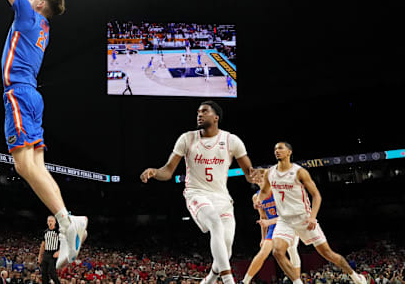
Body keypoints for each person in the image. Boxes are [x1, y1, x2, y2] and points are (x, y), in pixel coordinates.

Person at [0, 0, 87, 269]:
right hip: (32, 96)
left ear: (36, 5)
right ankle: (69, 221)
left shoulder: (27, 16)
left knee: (25, 166)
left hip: (19, 95)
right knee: (31, 166)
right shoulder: (43, 24)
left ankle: (67, 222)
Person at [140, 101, 256, 284]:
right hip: (196, 194)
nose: (199, 115)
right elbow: (168, 171)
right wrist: (155, 171)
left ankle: (210, 279)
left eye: (204, 111)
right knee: (215, 224)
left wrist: (258, 176)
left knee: (226, 251)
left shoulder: (231, 140)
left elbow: (249, 174)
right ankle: (229, 281)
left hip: (222, 198)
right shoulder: (187, 138)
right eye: (198, 112)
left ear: (216, 117)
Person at [254, 142, 367, 284]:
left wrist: (313, 217)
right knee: (277, 251)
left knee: (328, 254)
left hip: (303, 218)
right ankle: (297, 282)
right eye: (275, 149)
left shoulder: (299, 172)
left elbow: (316, 196)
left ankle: (355, 276)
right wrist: (259, 200)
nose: (277, 151)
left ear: (289, 152)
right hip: (284, 220)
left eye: (281, 148)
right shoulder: (270, 172)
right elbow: (264, 191)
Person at [241, 181, 301, 284]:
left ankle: (296, 281)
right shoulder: (256, 197)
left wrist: (268, 222)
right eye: (257, 179)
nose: (259, 180)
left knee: (292, 249)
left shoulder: (279, 191)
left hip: (288, 223)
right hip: (273, 227)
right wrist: (263, 238)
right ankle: (245, 281)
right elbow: (263, 217)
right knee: (263, 252)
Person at [38, 216, 61, 284]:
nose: (50, 222)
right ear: (47, 222)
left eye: (51, 221)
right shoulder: (45, 232)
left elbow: (64, 243)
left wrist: (59, 251)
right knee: (43, 273)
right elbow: (43, 245)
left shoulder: (59, 232)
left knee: (52, 272)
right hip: (46, 253)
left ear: (55, 222)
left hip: (53, 254)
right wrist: (40, 256)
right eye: (49, 221)